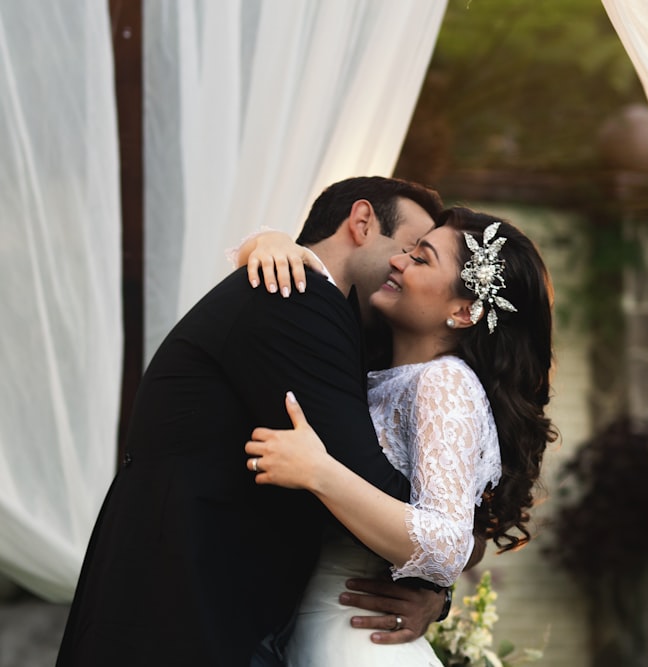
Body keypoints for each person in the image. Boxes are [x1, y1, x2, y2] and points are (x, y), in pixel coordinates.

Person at [56, 176, 458, 667]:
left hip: (194, 597)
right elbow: (367, 483)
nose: (404, 264)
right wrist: (434, 565)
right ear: (361, 222)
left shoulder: (327, 314)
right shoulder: (298, 299)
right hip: (177, 608)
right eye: (410, 248)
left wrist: (439, 573)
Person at [236, 207, 558, 665]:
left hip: (356, 643)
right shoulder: (387, 370)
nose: (398, 261)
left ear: (464, 311)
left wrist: (317, 471)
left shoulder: (444, 382)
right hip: (323, 633)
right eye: (408, 250)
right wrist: (268, 244)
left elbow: (448, 544)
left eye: (421, 259)